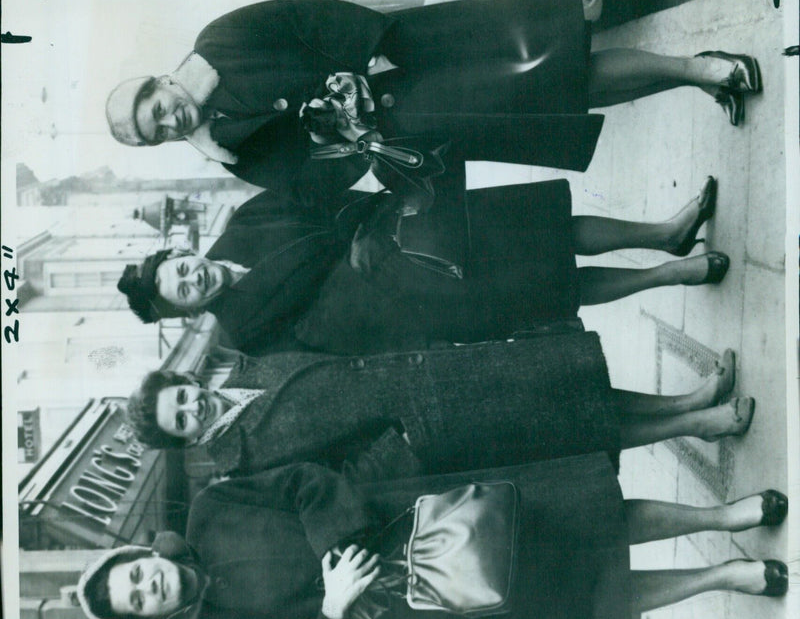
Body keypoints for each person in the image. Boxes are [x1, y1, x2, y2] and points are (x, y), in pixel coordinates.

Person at [76, 459, 788, 619]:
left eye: (135, 575)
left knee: (586, 518)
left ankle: (723, 512)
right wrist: (331, 607)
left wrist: (338, 544)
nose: (150, 586)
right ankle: (723, 575)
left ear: (141, 555)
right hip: (414, 615)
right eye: (139, 602)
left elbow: (303, 482)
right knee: (583, 602)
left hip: (405, 524)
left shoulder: (211, 507)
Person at [104, 0, 762, 200]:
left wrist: (368, 49)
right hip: (412, 127)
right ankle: (692, 75)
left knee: (557, 68)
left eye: (156, 109)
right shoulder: (221, 145)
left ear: (161, 82)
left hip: (407, 59)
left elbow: (305, 18)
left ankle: (699, 69)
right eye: (156, 132)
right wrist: (349, 147)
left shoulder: (219, 40)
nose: (169, 121)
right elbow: (309, 178)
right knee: (560, 108)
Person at [117, 175, 728, 357]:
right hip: (412, 305)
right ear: (187, 311)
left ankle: (666, 234)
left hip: (402, 229)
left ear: (181, 253)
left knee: (545, 227)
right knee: (551, 287)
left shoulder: (246, 221)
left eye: (182, 272)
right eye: (184, 295)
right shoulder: (241, 331)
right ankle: (666, 274)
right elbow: (323, 350)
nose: (194, 282)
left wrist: (379, 211)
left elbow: (322, 193)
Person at [125, 337, 753, 481]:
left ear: (185, 380)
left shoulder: (251, 367)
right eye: (183, 418)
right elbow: (337, 478)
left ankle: (689, 400)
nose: (194, 406)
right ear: (186, 438)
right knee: (576, 426)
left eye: (182, 395)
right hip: (437, 429)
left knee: (574, 385)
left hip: (437, 371)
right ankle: (702, 423)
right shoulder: (246, 458)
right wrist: (402, 442)